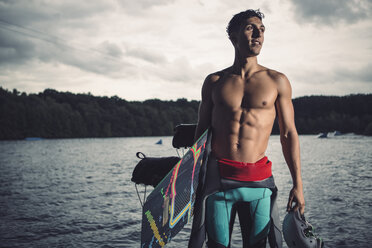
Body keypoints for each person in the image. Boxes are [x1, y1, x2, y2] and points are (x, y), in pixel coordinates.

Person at [190, 9, 305, 248]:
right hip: (218, 182)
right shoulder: (214, 82)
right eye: (251, 27)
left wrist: (298, 185)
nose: (258, 34)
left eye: (262, 30)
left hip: (258, 183)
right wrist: (190, 184)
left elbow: (288, 134)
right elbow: (200, 136)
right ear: (233, 36)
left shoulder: (277, 81)